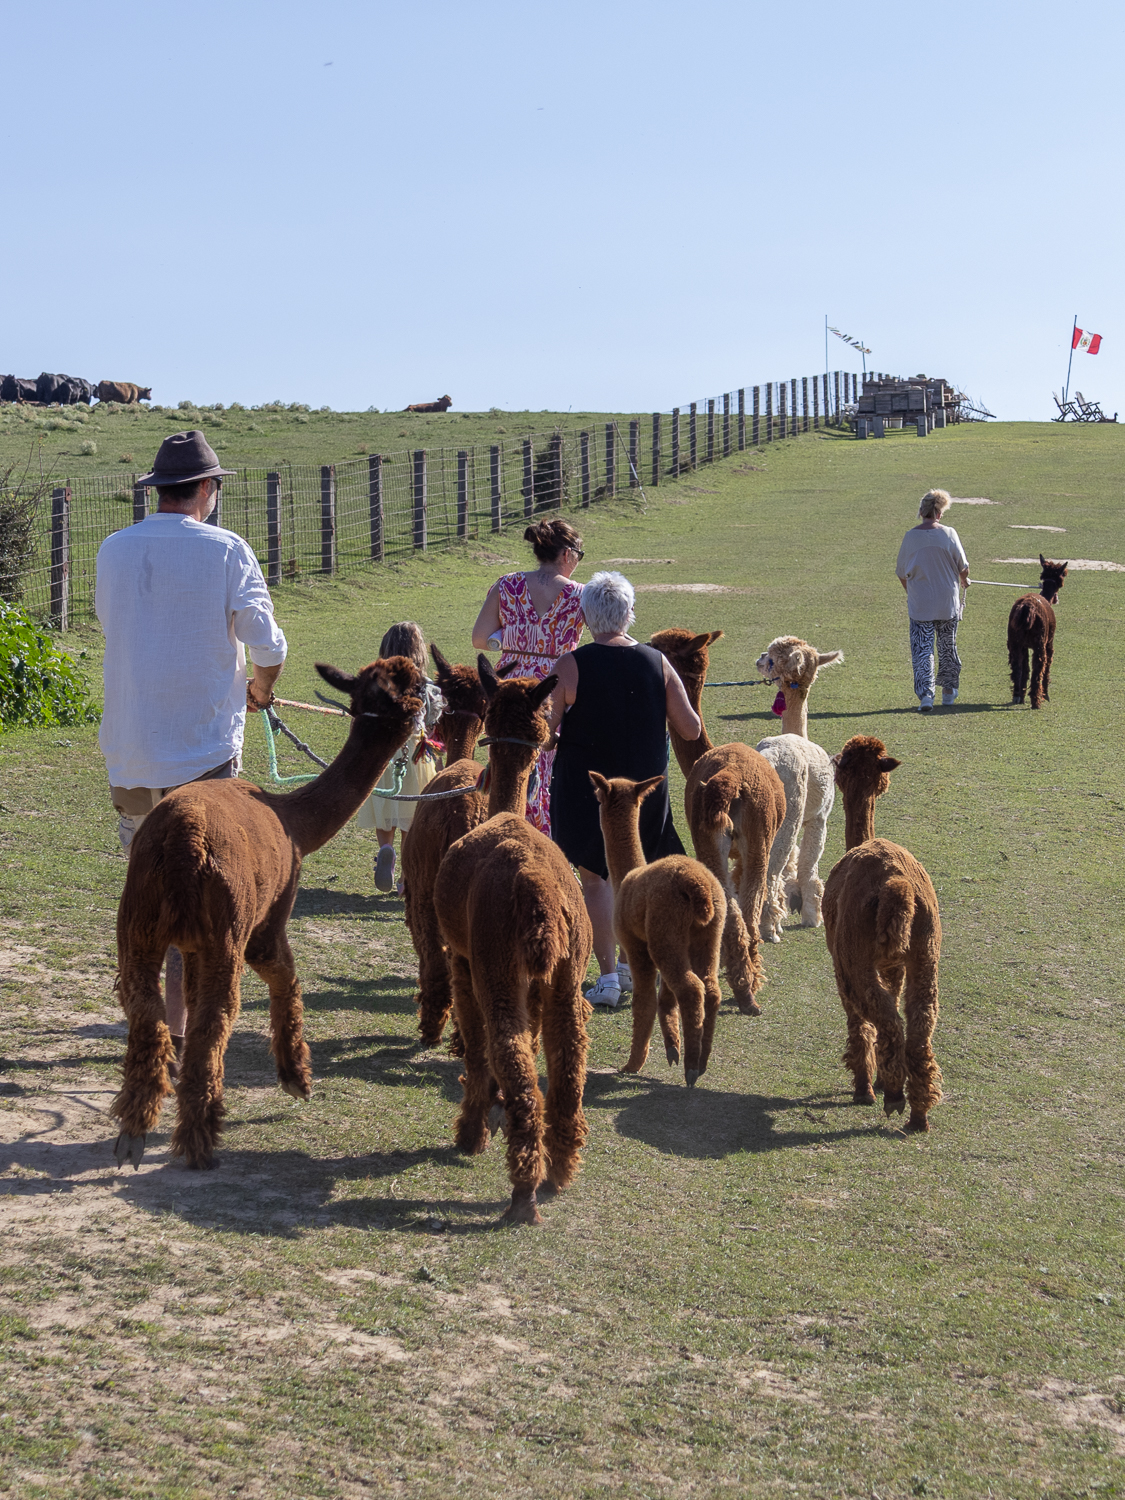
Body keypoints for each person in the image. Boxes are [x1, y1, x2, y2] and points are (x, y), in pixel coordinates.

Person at [95, 430, 288, 1055]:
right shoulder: (227, 551)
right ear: (207, 490)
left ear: (161, 489)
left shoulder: (113, 549)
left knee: (147, 891)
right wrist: (260, 687)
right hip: (203, 755)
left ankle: (149, 1026)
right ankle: (177, 1029)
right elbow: (267, 645)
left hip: (129, 752)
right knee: (198, 905)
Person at [547, 571, 701, 1008]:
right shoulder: (657, 662)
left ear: (586, 615)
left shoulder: (571, 665)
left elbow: (545, 730)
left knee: (594, 879)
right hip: (641, 793)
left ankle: (609, 977)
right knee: (637, 875)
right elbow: (691, 729)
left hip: (586, 791)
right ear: (629, 613)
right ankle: (639, 969)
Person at [471, 517, 586, 834]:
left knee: (505, 764)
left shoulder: (507, 584)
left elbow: (480, 639)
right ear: (566, 554)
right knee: (543, 769)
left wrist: (510, 640)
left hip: (507, 691)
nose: (578, 562)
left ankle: (501, 830)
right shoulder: (580, 595)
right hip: (550, 690)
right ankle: (542, 839)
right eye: (579, 554)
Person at [355, 621, 444, 893]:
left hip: (383, 756)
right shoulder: (428, 688)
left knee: (385, 813)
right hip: (416, 757)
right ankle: (406, 877)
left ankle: (385, 849)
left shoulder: (375, 683)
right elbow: (432, 722)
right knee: (410, 818)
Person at [895, 488, 970, 712]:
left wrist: (913, 592)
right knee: (948, 646)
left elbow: (901, 572)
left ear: (922, 512)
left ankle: (926, 694)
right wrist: (964, 581)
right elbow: (963, 567)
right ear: (938, 512)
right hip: (947, 601)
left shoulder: (910, 537)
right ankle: (948, 692)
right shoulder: (949, 534)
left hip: (921, 604)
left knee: (922, 649)